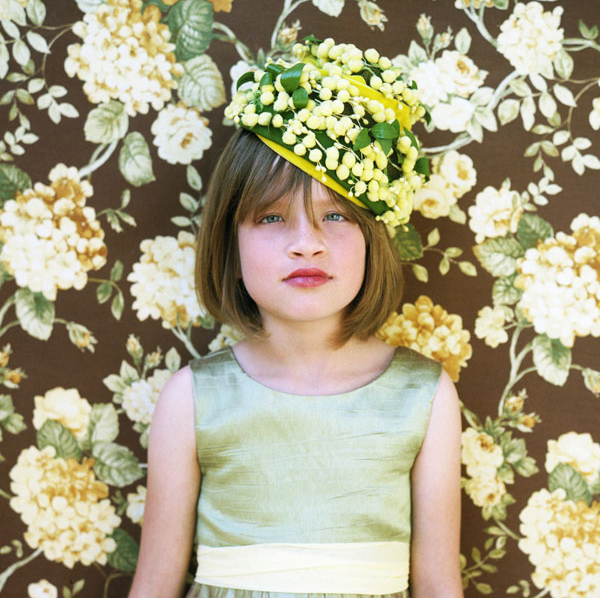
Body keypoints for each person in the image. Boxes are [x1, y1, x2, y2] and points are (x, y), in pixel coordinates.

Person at [128, 37, 463, 598]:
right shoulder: (191, 399)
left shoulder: (424, 395)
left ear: (373, 239)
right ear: (229, 245)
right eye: (272, 218)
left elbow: (438, 584)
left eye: (335, 214)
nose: (307, 245)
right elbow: (155, 585)